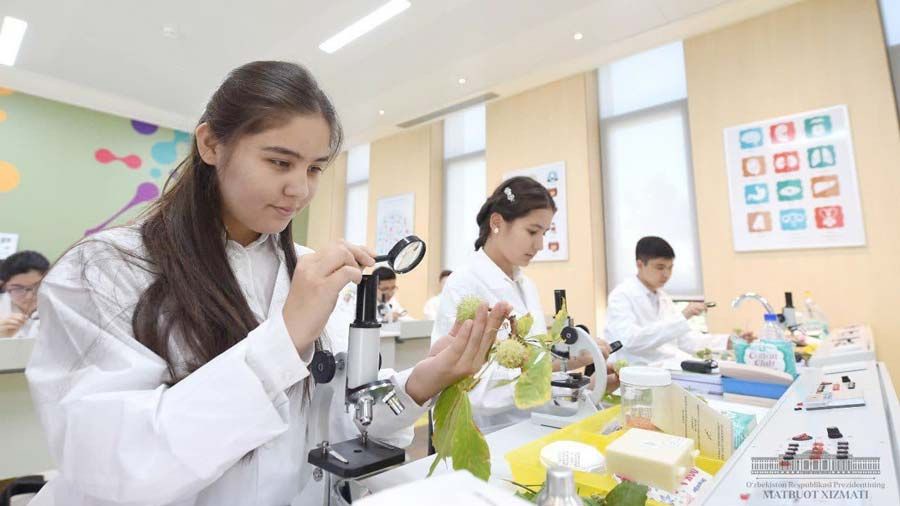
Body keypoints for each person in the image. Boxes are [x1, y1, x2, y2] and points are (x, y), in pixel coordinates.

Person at [25, 61, 510, 506]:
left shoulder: (309, 270)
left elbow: (339, 423)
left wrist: (420, 383)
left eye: (314, 168)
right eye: (280, 162)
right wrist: (284, 340)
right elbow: (114, 464)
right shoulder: (104, 269)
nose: (300, 188)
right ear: (211, 144)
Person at [432, 177, 617, 433]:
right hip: (488, 434)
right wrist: (561, 363)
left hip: (533, 423)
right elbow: (472, 386)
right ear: (497, 223)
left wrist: (588, 386)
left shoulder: (525, 285)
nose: (539, 245)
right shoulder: (464, 285)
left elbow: (532, 368)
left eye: (544, 233)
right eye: (532, 231)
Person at [604, 236, 733, 366]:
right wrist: (683, 317)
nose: (666, 274)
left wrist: (728, 341)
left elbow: (685, 340)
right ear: (640, 264)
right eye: (660, 267)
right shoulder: (621, 295)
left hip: (666, 367)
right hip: (636, 370)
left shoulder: (663, 297)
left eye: (670, 267)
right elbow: (629, 341)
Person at [0, 250, 49, 338]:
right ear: (4, 287)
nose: (29, 296)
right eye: (18, 289)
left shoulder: (61, 307)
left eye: (37, 287)